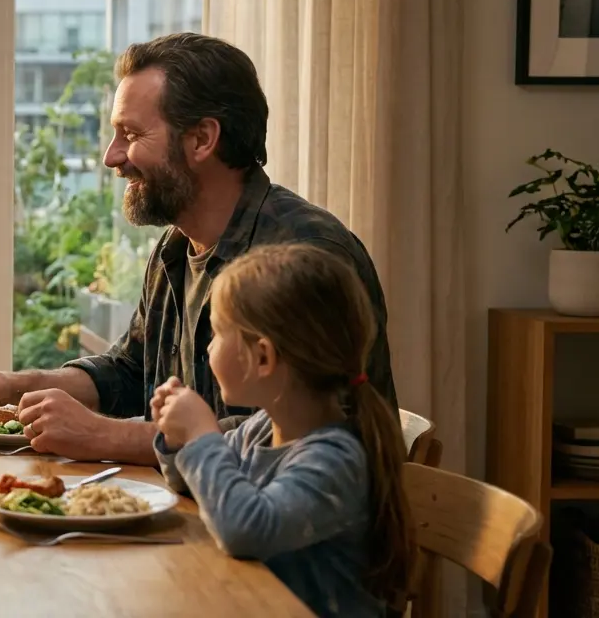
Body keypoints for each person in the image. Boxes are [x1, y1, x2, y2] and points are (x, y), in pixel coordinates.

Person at [0, 33, 396, 464]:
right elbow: (130, 371)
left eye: (131, 135)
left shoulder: (307, 257)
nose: (111, 157)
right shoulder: (175, 248)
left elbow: (293, 447)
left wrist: (103, 436)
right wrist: (17, 387)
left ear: (202, 139)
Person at [152, 243, 411, 617]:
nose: (209, 349)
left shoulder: (336, 460)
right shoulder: (261, 429)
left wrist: (201, 435)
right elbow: (199, 488)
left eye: (218, 333)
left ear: (262, 357)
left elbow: (245, 530)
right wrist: (176, 441)